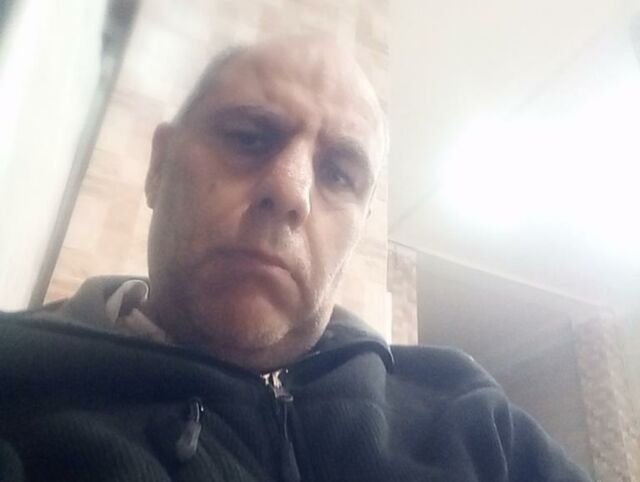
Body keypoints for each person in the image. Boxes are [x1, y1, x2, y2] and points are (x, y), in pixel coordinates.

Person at [0, 37, 591, 482]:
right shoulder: (18, 384)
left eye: (339, 173)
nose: (290, 190)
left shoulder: (471, 417)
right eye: (248, 136)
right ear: (159, 165)